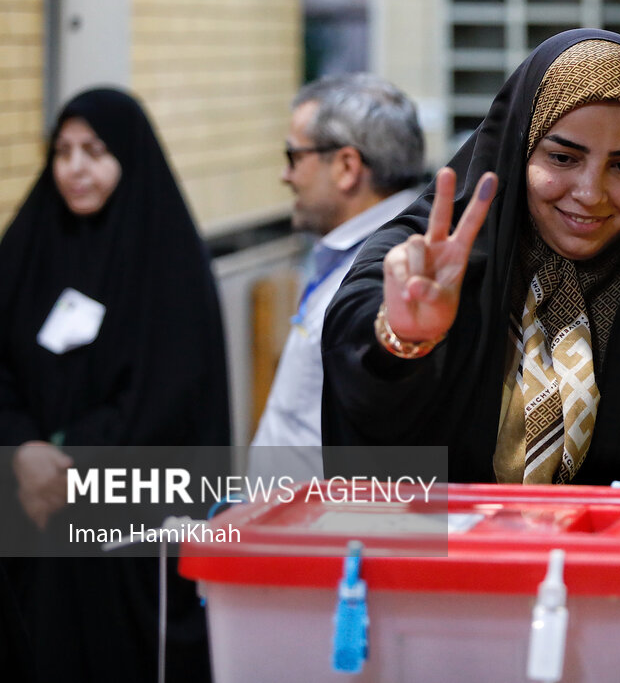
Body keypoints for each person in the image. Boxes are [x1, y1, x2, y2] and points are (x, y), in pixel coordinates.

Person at [322, 29, 620, 487]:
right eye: (563, 158)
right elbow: (359, 332)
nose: (591, 194)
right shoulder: (436, 257)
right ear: (519, 149)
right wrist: (404, 336)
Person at [0, 88, 229, 682]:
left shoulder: (166, 261)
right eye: (63, 151)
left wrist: (66, 460)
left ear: (128, 157)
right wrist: (24, 450)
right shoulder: (26, 249)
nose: (75, 167)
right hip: (26, 509)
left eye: (94, 151)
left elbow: (167, 393)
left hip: (123, 522)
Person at [247, 74, 425, 482]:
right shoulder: (345, 252)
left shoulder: (394, 273)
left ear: (346, 167)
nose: (285, 175)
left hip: (325, 534)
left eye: (294, 157)